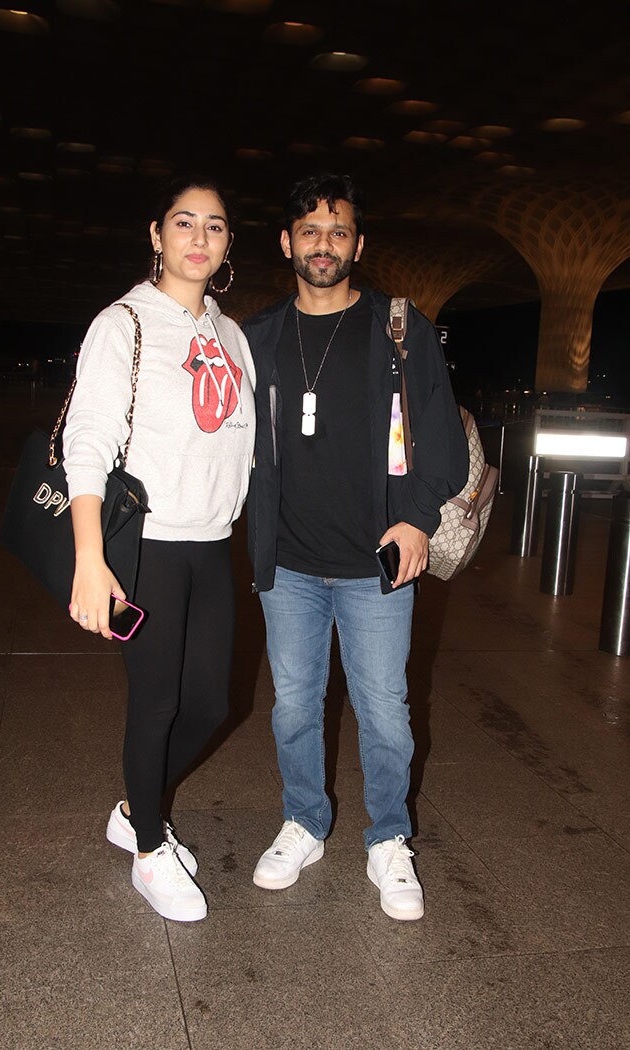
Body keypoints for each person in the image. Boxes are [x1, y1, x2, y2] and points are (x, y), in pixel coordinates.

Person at [243, 173, 468, 920]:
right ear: (286, 242)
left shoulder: (397, 331)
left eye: (338, 232)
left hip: (376, 563)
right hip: (289, 563)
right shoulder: (262, 338)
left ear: (358, 245)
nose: (324, 245)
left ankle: (388, 841)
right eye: (309, 231)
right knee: (294, 707)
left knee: (385, 711)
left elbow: (440, 441)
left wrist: (417, 520)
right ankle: (304, 821)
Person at [62, 177, 255, 922]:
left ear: (228, 243)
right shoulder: (125, 324)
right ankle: (148, 848)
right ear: (156, 234)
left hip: (212, 546)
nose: (199, 238)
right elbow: (88, 443)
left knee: (211, 704)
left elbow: (240, 444)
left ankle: (133, 808)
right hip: (147, 547)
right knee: (158, 702)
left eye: (214, 225)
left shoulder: (231, 335)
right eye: (184, 222)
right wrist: (90, 556)